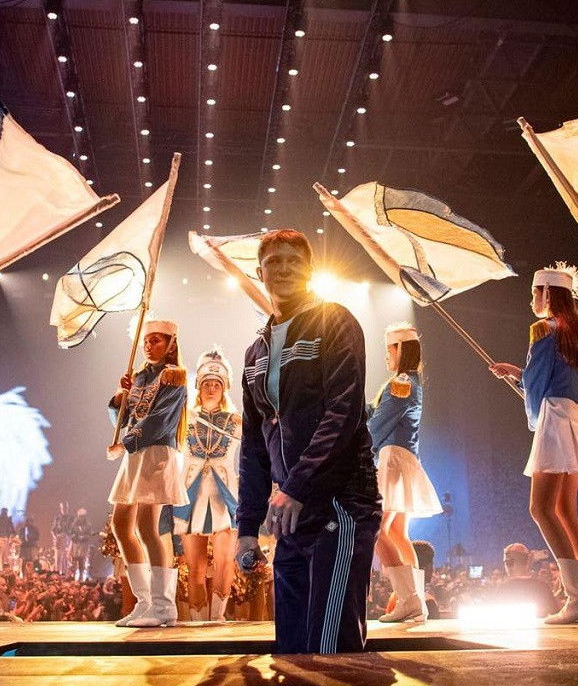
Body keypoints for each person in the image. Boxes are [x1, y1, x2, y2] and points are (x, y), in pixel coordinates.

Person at [235, 229, 381, 654]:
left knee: (331, 649)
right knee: (292, 651)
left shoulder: (334, 321)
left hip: (340, 500)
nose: (282, 268)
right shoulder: (255, 351)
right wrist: (246, 526)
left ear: (310, 269)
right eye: (273, 261)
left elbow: (345, 410)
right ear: (259, 272)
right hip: (291, 514)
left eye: (292, 260)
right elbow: (254, 444)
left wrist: (296, 486)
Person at [489, 262, 578, 624]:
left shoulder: (542, 328)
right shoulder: (570, 330)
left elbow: (538, 387)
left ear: (545, 294)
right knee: (566, 512)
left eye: (534, 292)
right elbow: (544, 376)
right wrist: (518, 374)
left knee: (541, 509)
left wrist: (531, 407)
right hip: (573, 416)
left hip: (554, 420)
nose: (531, 299)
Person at [106, 319, 189, 627]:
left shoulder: (175, 377)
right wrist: (119, 398)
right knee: (120, 523)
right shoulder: (138, 377)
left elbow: (160, 421)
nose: (149, 345)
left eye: (157, 340)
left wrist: (126, 443)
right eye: (147, 340)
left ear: (171, 344)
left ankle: (163, 606)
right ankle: (144, 603)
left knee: (147, 527)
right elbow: (124, 417)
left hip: (155, 453)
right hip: (136, 454)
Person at [370, 323, 443, 623]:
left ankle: (408, 598)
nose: (387, 357)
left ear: (400, 349)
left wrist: (351, 444)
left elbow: (378, 424)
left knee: (376, 528)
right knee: (399, 532)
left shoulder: (401, 383)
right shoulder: (410, 381)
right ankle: (417, 601)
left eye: (389, 351)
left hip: (393, 458)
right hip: (404, 458)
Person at [173, 347, 242, 623]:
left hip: (226, 498)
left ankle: (217, 618)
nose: (211, 388)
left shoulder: (237, 422)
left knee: (226, 560)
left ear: (224, 389)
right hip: (190, 498)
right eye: (206, 384)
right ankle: (197, 622)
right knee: (195, 567)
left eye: (217, 384)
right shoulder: (184, 419)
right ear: (198, 388)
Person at [493, 543, 559, 617]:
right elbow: (555, 614)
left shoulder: (503, 589)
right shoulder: (543, 587)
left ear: (509, 563)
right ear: (528, 562)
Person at [69, 508, 95, 581]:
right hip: (76, 544)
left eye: (83, 517)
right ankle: (73, 575)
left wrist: (84, 537)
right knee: (74, 560)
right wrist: (76, 537)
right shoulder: (74, 525)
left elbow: (90, 534)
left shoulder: (88, 525)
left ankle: (81, 576)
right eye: (80, 516)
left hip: (83, 545)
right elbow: (71, 533)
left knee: (82, 561)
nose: (81, 518)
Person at [52, 503, 73, 576]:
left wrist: (68, 536)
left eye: (65, 508)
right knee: (58, 558)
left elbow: (73, 530)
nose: (64, 509)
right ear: (60, 508)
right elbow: (52, 530)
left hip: (67, 540)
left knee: (66, 558)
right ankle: (57, 575)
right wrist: (56, 537)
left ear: (68, 508)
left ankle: (65, 575)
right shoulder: (57, 518)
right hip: (59, 540)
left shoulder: (71, 518)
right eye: (62, 508)